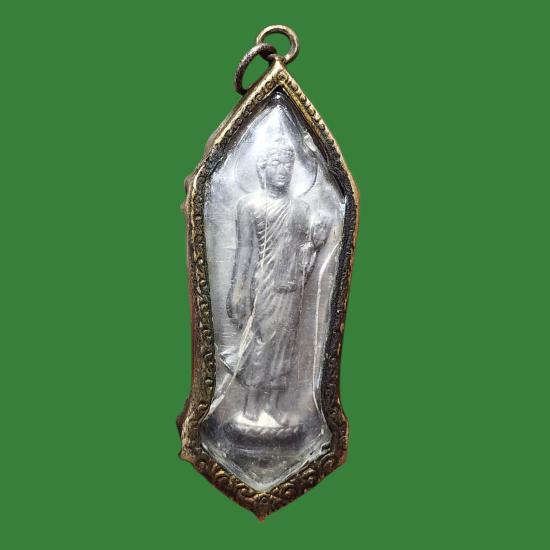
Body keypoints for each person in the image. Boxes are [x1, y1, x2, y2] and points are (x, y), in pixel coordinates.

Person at [226, 138, 328, 425]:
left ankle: (272, 403)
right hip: (264, 286)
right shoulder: (249, 205)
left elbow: (302, 255)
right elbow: (245, 251)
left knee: (286, 344)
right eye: (276, 163)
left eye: (288, 164)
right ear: (262, 168)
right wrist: (238, 289)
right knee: (261, 341)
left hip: (291, 286)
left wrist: (315, 244)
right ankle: (251, 402)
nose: (283, 170)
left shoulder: (302, 209)